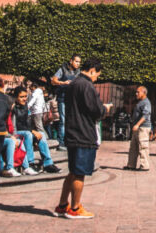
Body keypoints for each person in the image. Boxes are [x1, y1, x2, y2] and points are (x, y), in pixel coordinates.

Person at [54, 57, 111, 220]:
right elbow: (95, 110)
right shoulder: (86, 86)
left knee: (73, 171)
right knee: (79, 173)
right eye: (97, 75)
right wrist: (104, 108)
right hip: (83, 133)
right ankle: (75, 207)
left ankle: (62, 205)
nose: (97, 78)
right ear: (92, 70)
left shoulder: (73, 83)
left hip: (73, 131)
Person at [13, 87, 60, 174]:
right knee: (28, 134)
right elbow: (17, 125)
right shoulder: (13, 108)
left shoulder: (25, 106)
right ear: (16, 97)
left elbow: (27, 123)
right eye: (21, 97)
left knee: (41, 134)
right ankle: (30, 163)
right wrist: (32, 131)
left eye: (25, 96)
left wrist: (34, 132)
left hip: (25, 131)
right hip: (16, 132)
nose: (24, 99)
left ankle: (48, 163)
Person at [51, 55, 82, 145]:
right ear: (71, 61)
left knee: (73, 120)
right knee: (63, 120)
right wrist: (63, 83)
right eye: (76, 61)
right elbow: (53, 81)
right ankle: (61, 142)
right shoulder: (62, 69)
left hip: (74, 99)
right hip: (63, 98)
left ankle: (70, 140)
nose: (78, 64)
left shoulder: (78, 72)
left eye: (79, 62)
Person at [125, 85, 152, 171]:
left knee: (143, 147)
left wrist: (137, 125)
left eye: (138, 92)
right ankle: (131, 165)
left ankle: (144, 166)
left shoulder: (146, 102)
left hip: (143, 128)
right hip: (137, 128)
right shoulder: (140, 102)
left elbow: (145, 115)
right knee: (133, 147)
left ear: (144, 92)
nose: (136, 94)